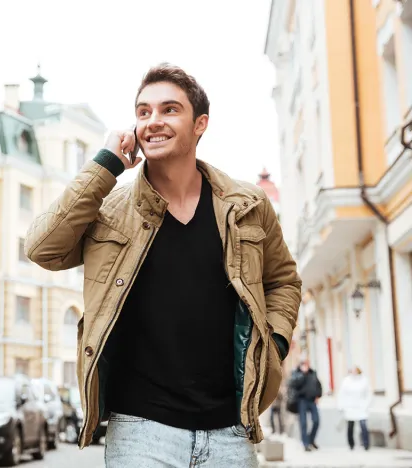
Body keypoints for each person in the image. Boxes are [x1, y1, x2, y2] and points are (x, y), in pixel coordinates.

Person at [24, 63, 302, 468]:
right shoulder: (110, 209)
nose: (153, 121)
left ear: (200, 124)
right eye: (143, 112)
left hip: (230, 429)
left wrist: (273, 345)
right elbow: (42, 248)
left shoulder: (247, 206)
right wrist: (105, 165)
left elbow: (283, 281)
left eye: (169, 110)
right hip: (140, 429)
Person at [290, 359, 322, 451]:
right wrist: (303, 374)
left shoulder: (313, 373)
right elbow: (294, 384)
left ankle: (311, 440)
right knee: (303, 423)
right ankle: (306, 444)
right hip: (302, 400)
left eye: (307, 364)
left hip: (312, 400)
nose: (306, 366)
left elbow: (318, 385)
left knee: (316, 421)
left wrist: (318, 395)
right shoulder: (296, 373)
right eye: (304, 364)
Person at [338, 366, 371, 450]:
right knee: (350, 426)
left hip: (361, 406)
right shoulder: (346, 381)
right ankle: (351, 444)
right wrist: (341, 406)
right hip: (350, 407)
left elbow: (368, 393)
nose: (354, 372)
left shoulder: (363, 380)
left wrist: (366, 405)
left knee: (363, 425)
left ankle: (366, 444)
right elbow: (342, 394)